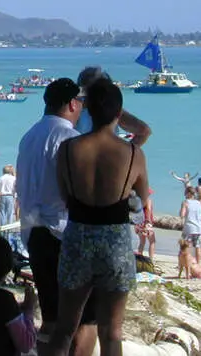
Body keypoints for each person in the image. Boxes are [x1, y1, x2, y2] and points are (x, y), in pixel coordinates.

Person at [49, 78, 149, 356]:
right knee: (112, 332)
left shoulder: (68, 149)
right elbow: (142, 200)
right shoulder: (132, 153)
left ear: (88, 110)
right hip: (115, 241)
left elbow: (65, 195)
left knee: (65, 328)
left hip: (78, 235)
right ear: (119, 114)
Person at [15, 78, 97, 353]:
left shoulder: (28, 137)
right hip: (63, 233)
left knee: (50, 317)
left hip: (34, 232)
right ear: (73, 104)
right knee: (85, 319)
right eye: (81, 104)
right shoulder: (71, 139)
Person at [75, 66, 151, 144]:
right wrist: (126, 153)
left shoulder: (74, 108)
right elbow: (144, 131)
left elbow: (144, 131)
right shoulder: (112, 109)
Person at [180, 186, 201, 265]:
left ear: (189, 193)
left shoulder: (186, 202)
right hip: (199, 228)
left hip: (189, 228)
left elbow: (182, 215)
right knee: (197, 246)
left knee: (185, 246)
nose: (184, 194)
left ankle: (185, 263)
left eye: (185, 192)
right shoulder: (199, 203)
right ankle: (198, 264)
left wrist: (182, 212)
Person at [136, 189, 156, 261]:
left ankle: (138, 258)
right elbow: (148, 209)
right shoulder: (148, 200)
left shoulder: (139, 201)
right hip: (146, 223)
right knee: (152, 241)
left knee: (142, 242)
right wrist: (148, 221)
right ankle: (151, 259)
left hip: (139, 223)